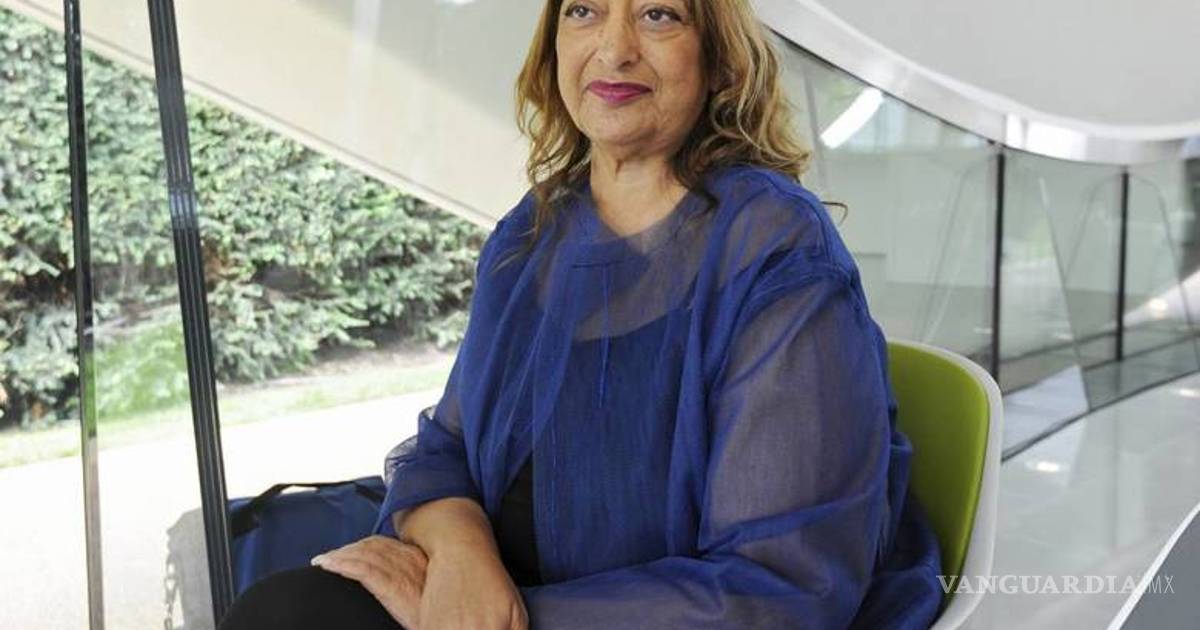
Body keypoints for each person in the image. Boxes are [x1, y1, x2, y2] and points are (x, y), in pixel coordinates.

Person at [218, 0, 944, 628]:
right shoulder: (532, 234)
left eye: (658, 14)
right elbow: (443, 451)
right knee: (279, 612)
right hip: (498, 590)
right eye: (583, 10)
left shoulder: (775, 249)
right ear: (554, 46)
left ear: (719, 60)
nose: (614, 47)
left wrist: (503, 618)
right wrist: (463, 562)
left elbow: (778, 587)